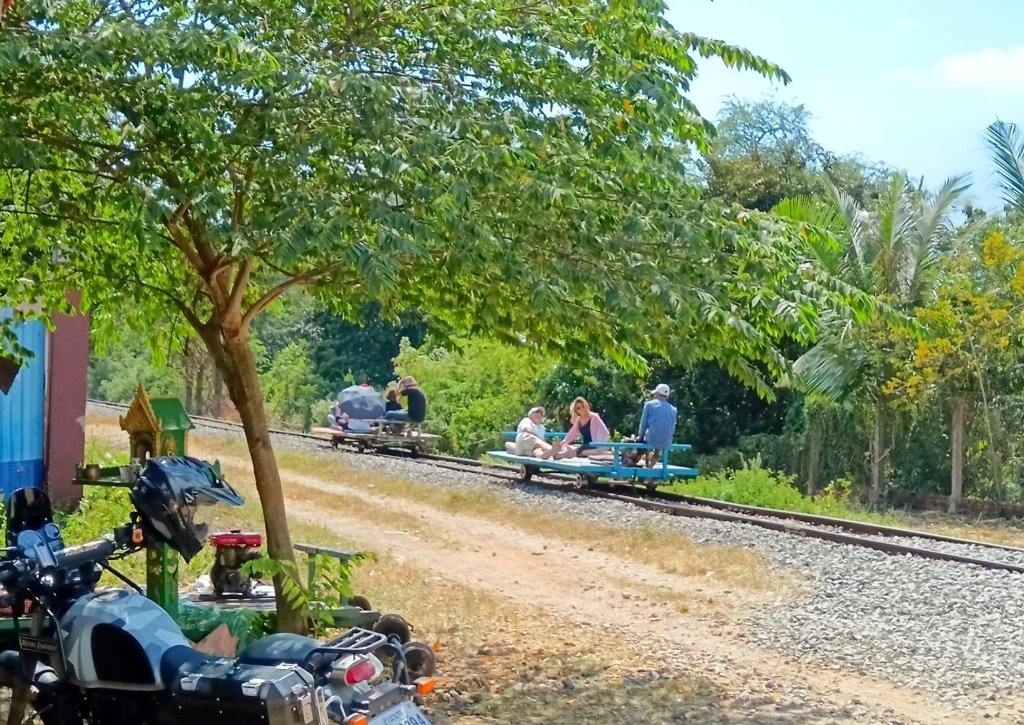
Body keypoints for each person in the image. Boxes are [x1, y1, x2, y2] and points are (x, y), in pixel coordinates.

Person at [546, 397, 610, 459]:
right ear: (576, 410)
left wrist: (600, 445)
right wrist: (562, 443)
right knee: (580, 451)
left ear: (586, 406)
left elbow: (605, 432)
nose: (582, 409)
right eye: (578, 408)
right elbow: (571, 434)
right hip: (586, 445)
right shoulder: (578, 420)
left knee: (580, 451)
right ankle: (561, 453)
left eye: (583, 406)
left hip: (595, 444)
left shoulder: (594, 417)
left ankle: (561, 455)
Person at [637, 383, 677, 467]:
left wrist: (640, 437)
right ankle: (650, 468)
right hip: (666, 440)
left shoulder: (649, 405)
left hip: (651, 438)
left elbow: (643, 424)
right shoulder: (673, 409)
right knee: (658, 451)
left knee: (644, 439)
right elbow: (672, 427)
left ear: (658, 393)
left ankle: (646, 464)